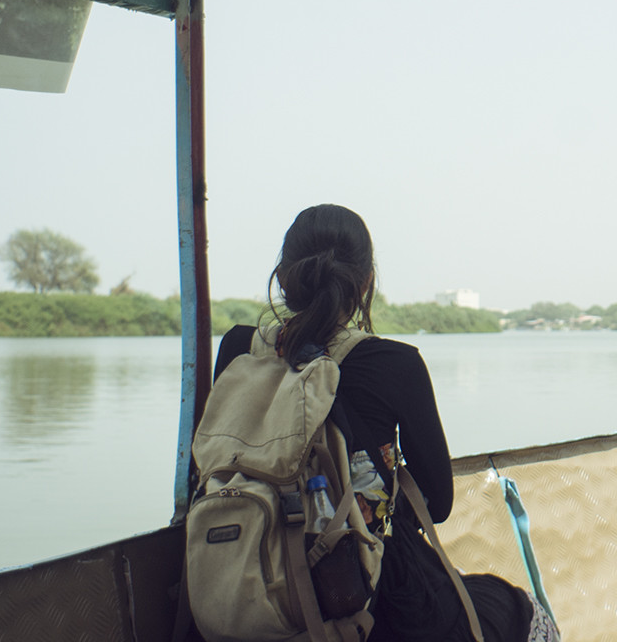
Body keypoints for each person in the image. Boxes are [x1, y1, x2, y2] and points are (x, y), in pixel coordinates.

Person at [212, 204, 556, 642]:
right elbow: (439, 503)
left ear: (283, 277)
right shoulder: (395, 363)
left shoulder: (238, 348)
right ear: (365, 283)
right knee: (517, 608)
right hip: (370, 594)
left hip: (243, 571)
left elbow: (205, 461)